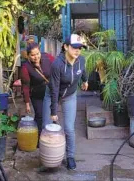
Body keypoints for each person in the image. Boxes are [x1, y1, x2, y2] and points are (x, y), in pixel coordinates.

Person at [42, 34, 88, 170]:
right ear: (66, 47)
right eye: (74, 47)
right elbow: (55, 88)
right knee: (47, 127)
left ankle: (70, 156)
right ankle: (49, 158)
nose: (77, 50)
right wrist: (53, 111)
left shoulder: (81, 60)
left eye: (80, 48)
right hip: (52, 95)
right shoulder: (57, 64)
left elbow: (83, 71)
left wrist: (85, 81)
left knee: (68, 128)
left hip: (70, 96)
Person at [20, 42, 54, 141]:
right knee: (39, 115)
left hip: (50, 93)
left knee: (50, 115)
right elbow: (25, 86)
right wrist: (27, 103)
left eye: (37, 54)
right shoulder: (26, 67)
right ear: (28, 56)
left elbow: (57, 67)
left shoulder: (47, 57)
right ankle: (39, 139)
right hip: (37, 95)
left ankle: (50, 137)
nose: (36, 57)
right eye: (33, 55)